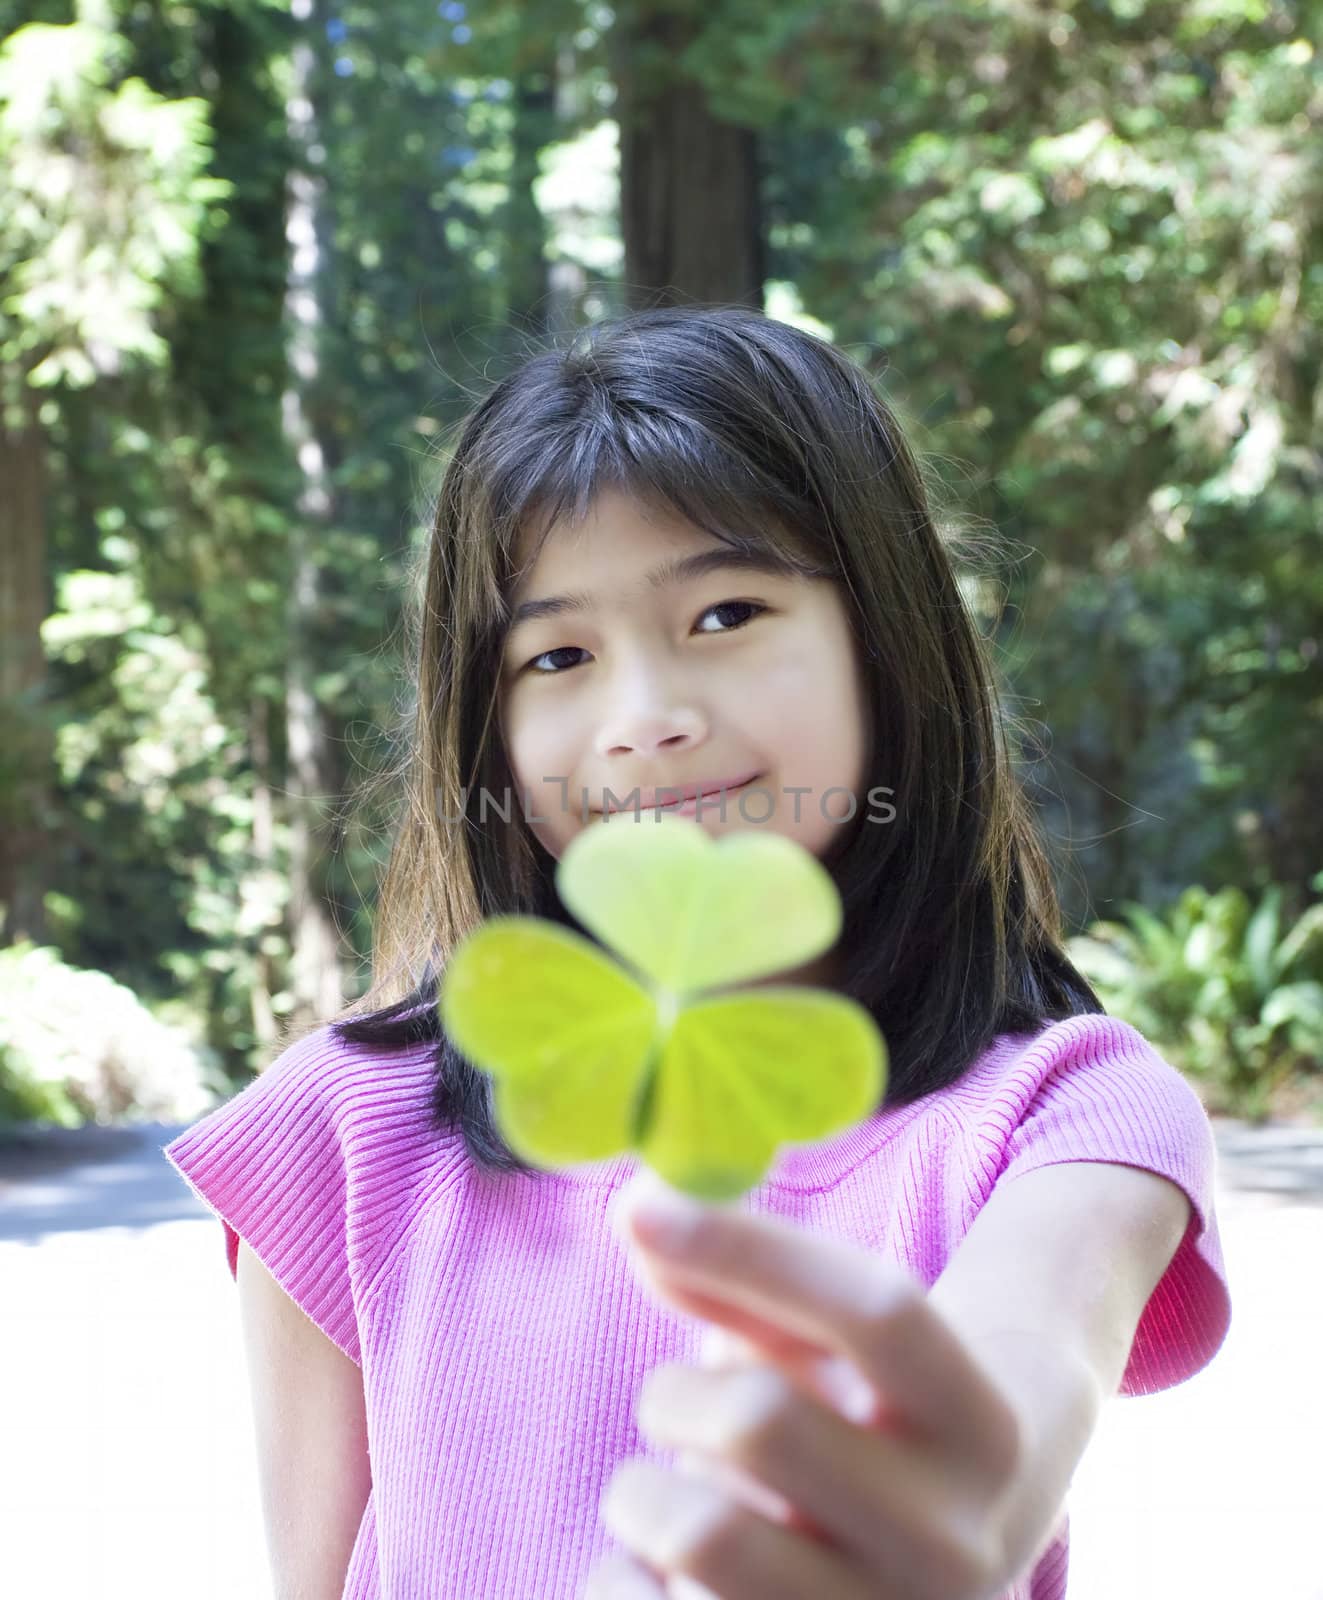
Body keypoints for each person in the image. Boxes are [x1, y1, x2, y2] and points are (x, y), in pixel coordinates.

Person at [163, 305, 1233, 1600]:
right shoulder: (340, 1131)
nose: (647, 720)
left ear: (888, 641)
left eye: (726, 613)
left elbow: (1025, 1378)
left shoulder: (1072, 1116)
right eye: (557, 654)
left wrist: (947, 1498)